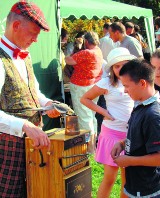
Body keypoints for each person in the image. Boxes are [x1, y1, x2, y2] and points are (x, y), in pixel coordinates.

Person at [0, 2, 60, 198]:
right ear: (16, 26)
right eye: (33, 33)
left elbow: (34, 91)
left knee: (35, 190)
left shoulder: (25, 55)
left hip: (32, 143)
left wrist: (46, 104)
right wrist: (24, 125)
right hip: (7, 147)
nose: (35, 39)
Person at [81, 47, 135, 198]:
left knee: (127, 180)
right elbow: (84, 98)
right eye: (117, 66)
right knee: (110, 178)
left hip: (130, 134)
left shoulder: (135, 81)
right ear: (112, 68)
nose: (120, 69)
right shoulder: (107, 83)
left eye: (124, 65)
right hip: (111, 133)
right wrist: (103, 112)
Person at [111, 59, 160, 198]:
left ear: (142, 83)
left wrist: (130, 160)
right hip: (135, 185)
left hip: (149, 190)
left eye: (127, 86)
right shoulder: (140, 104)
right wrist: (122, 143)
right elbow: (142, 137)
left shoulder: (153, 116)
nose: (125, 91)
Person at [65, 31, 103, 153]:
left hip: (81, 87)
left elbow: (68, 60)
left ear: (86, 41)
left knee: (84, 118)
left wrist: (71, 48)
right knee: (91, 116)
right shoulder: (98, 51)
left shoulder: (86, 53)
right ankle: (93, 147)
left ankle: (89, 149)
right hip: (93, 86)